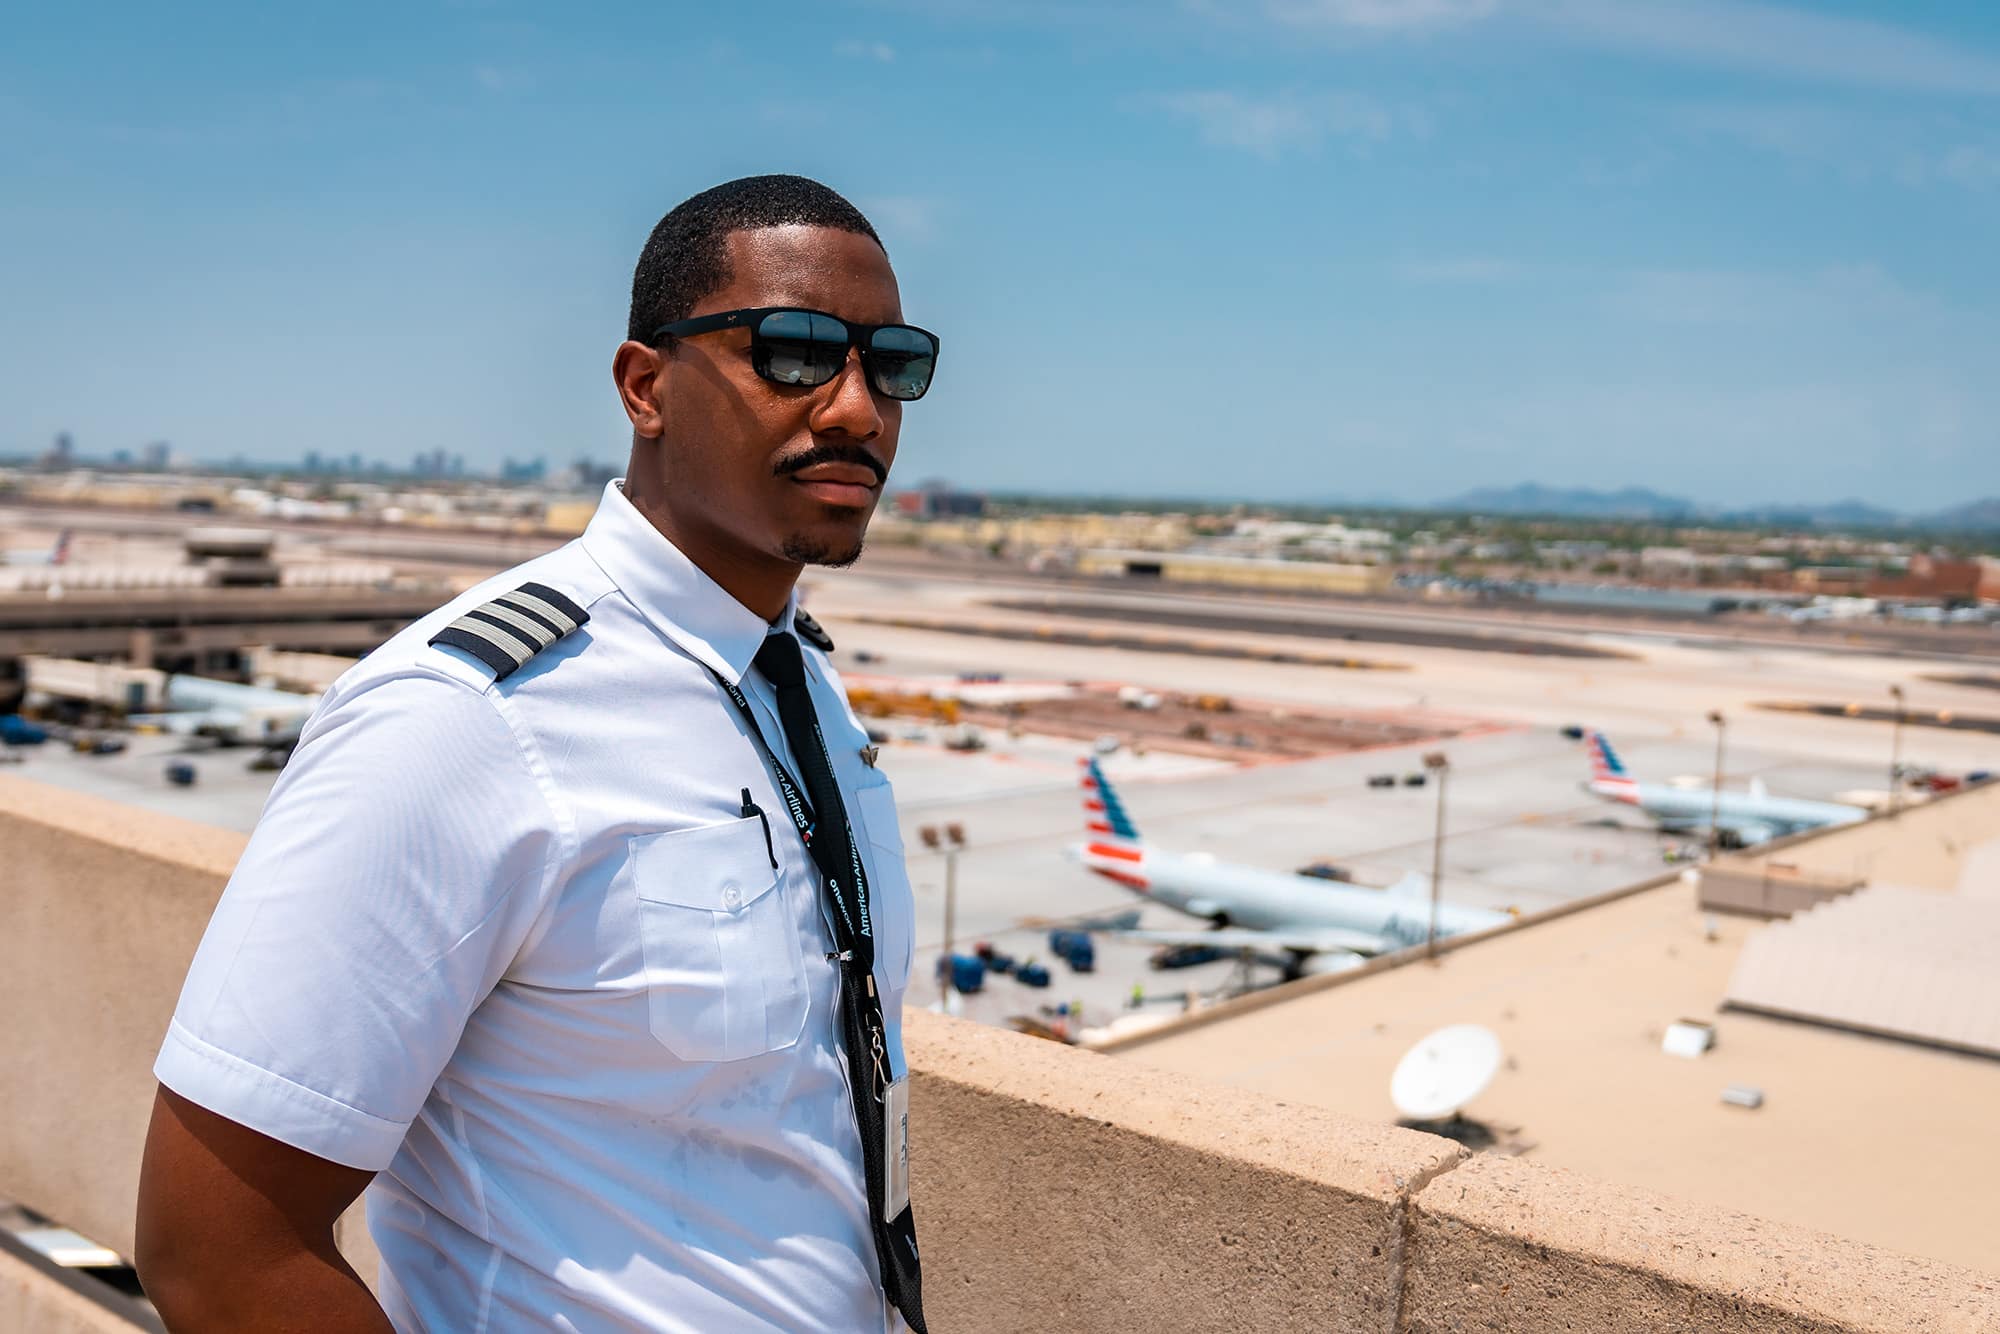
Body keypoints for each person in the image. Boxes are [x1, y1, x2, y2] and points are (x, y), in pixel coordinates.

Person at [134, 174, 939, 1333]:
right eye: (795, 351)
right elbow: (215, 1247)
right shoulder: (471, 721)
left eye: (892, 363)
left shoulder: (797, 681)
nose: (857, 409)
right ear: (645, 385)